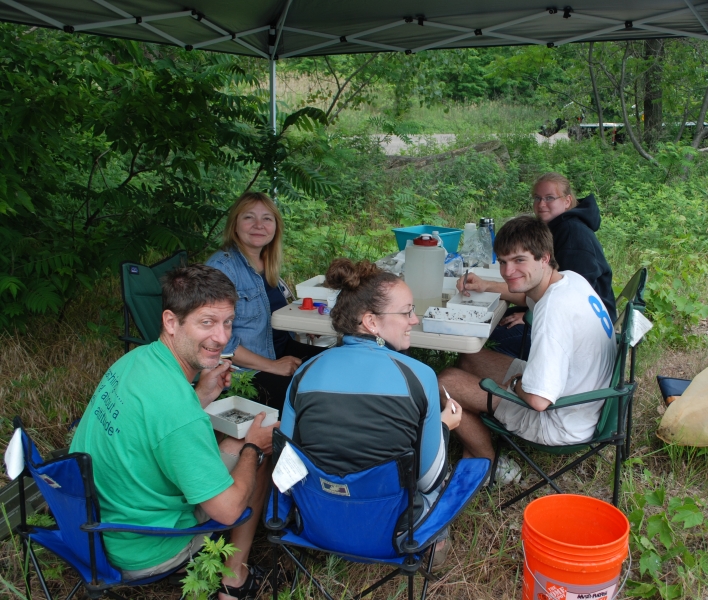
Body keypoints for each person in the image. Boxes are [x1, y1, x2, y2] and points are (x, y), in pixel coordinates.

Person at [70, 264, 277, 599]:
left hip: (96, 528)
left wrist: (203, 395)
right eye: (206, 322)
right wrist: (253, 448)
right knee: (255, 453)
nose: (222, 337)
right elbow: (228, 511)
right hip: (145, 548)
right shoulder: (178, 412)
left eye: (227, 322)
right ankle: (234, 579)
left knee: (233, 442)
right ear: (171, 321)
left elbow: (155, 426)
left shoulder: (135, 361)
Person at [280, 258, 462, 563]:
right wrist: (443, 426)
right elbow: (429, 480)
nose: (414, 320)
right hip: (393, 534)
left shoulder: (305, 372)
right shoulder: (418, 376)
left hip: (314, 526)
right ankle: (434, 551)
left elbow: (287, 471)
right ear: (371, 322)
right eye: (406, 312)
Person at [438, 216, 616, 481]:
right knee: (470, 359)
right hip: (583, 395)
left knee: (444, 382)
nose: (508, 271)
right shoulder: (569, 279)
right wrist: (486, 286)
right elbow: (526, 294)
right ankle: (473, 437)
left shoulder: (553, 313)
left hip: (561, 420)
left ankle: (490, 463)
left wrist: (519, 382)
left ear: (544, 258)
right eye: (503, 261)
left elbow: (538, 400)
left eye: (519, 260)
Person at [463, 172, 615, 358]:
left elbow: (568, 297)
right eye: (537, 198)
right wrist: (485, 285)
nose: (541, 204)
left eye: (549, 198)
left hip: (581, 335)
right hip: (555, 315)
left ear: (567, 201)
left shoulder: (572, 234)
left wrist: (531, 315)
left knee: (487, 333)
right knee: (491, 321)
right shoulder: (559, 226)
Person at [206, 192, 324, 412]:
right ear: (235, 225)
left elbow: (273, 314)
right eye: (249, 217)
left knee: (337, 362)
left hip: (279, 350)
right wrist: (273, 367)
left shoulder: (265, 262)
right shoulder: (223, 268)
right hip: (245, 373)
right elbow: (217, 342)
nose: (258, 225)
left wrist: (302, 325)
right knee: (312, 399)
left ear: (276, 226)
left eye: (267, 218)